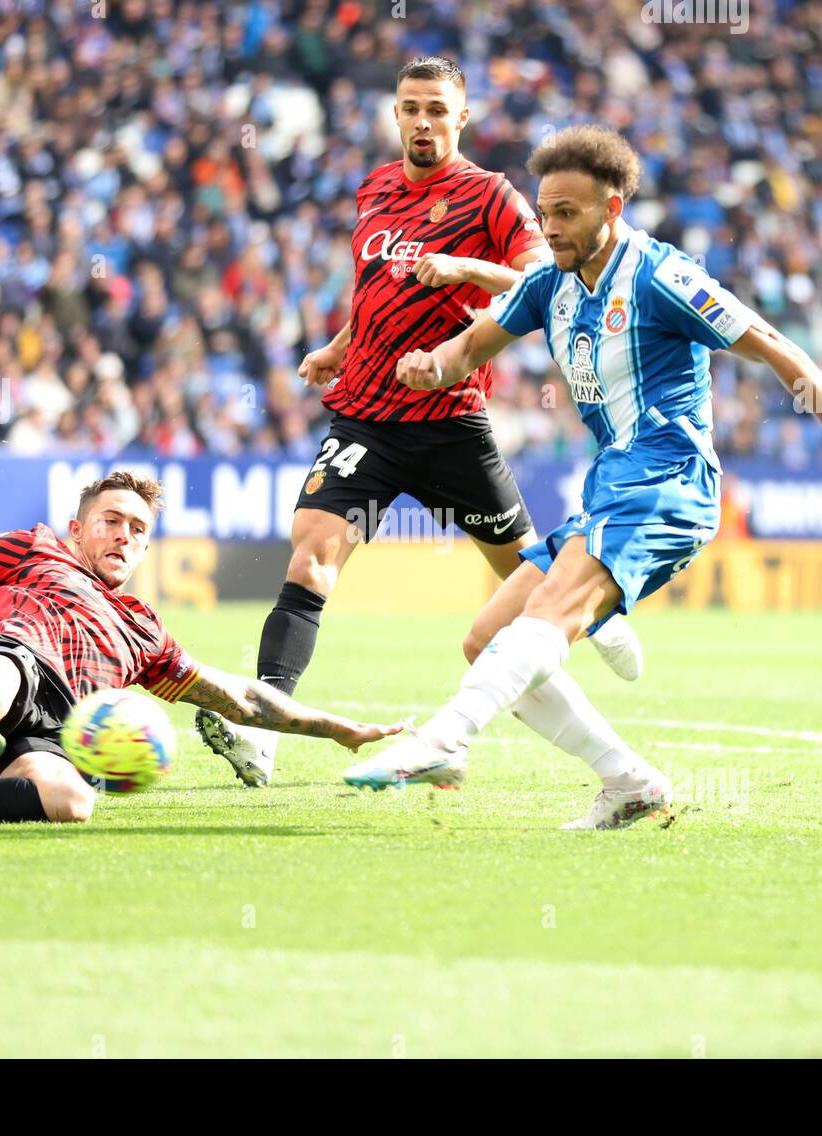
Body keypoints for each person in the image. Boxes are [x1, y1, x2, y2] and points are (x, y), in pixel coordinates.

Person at [344, 125, 822, 829]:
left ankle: (442, 738)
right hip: (611, 484)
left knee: (548, 614)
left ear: (611, 210)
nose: (550, 227)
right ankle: (628, 778)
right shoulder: (548, 283)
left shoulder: (661, 277)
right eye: (545, 211)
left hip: (669, 478)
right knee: (486, 637)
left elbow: (773, 346)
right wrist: (435, 362)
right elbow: (472, 345)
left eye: (568, 213)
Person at [195, 54, 569, 788]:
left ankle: (510, 707)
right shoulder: (373, 188)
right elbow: (373, 290)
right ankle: (263, 727)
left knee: (533, 580)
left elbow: (541, 278)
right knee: (309, 558)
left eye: (437, 108)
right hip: (364, 418)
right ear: (395, 114)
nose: (422, 121)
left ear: (462, 117)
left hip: (452, 421)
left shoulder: (490, 197)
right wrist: (337, 348)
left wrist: (464, 269)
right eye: (410, 108)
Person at [0, 472, 401, 824]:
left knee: (73, 802)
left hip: (60, 732)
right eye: (111, 520)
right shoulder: (34, 548)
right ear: (77, 528)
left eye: (138, 528)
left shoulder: (145, 632)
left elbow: (237, 695)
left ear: (147, 547)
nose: (124, 534)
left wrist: (335, 728)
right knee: (4, 665)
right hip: (15, 662)